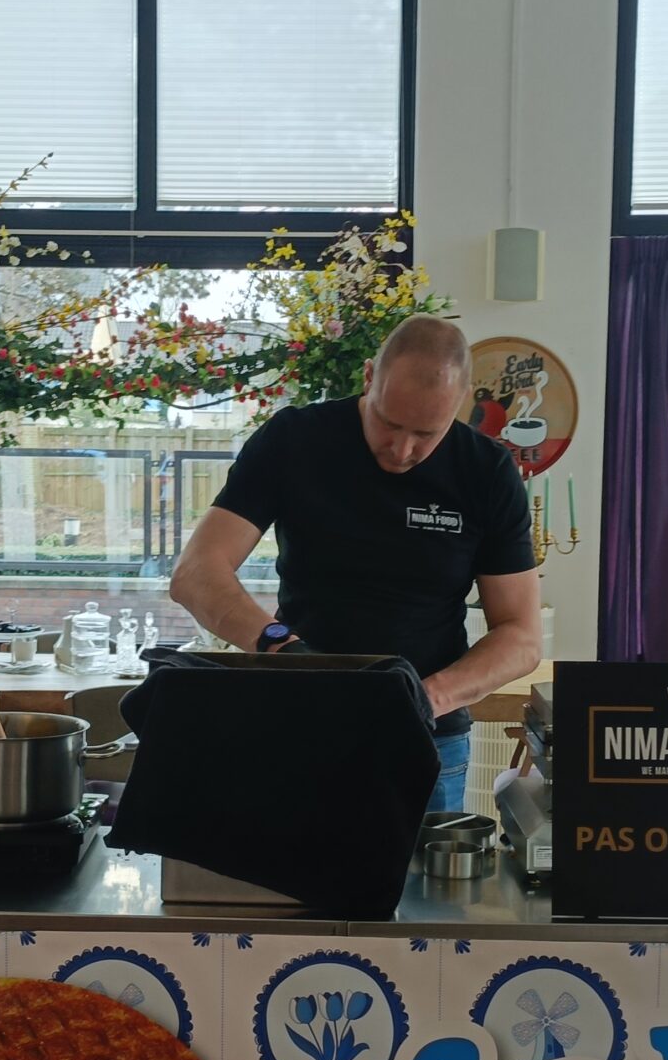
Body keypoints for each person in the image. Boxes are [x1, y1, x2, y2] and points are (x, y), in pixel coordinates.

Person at [169, 315, 543, 813]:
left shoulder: (487, 472)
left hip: (426, 737)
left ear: (460, 402)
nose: (402, 450)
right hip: (300, 721)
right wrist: (282, 648)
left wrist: (426, 697)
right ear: (369, 377)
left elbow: (521, 636)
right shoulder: (295, 439)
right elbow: (195, 573)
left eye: (426, 434)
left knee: (420, 870)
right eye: (388, 423)